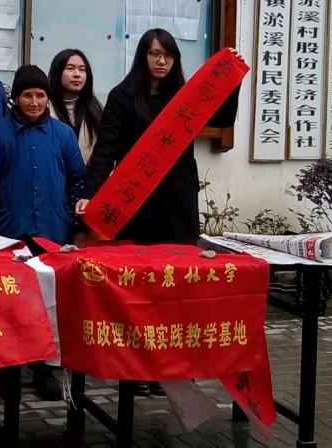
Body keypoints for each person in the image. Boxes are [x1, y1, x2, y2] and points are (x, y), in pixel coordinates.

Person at [86, 28, 242, 398]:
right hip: (138, 205)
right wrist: (91, 195)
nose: (161, 61)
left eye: (168, 55)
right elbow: (106, 150)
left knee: (178, 285)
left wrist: (231, 79)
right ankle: (139, 367)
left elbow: (223, 117)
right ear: (142, 56)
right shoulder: (122, 96)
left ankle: (173, 367)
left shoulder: (183, 95)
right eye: (154, 54)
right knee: (143, 287)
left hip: (178, 202)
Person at [0, 64, 86, 400]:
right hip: (12, 231)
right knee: (11, 303)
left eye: (41, 95)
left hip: (54, 231)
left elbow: (78, 179)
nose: (35, 102)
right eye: (28, 95)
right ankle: (8, 370)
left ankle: (43, 370)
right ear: (16, 98)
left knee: (47, 303)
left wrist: (75, 220)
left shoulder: (63, 134)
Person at [48, 49, 103, 163]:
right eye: (70, 68)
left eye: (82, 69)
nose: (77, 74)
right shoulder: (45, 107)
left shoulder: (96, 107)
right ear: (57, 72)